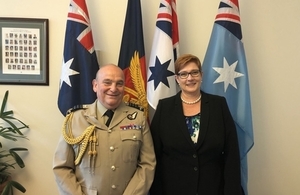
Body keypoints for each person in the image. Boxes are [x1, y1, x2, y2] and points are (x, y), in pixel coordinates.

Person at [53, 64, 156, 195]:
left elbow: (147, 164)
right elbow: (62, 167)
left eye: (119, 83)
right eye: (107, 82)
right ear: (95, 85)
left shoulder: (138, 118)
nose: (113, 89)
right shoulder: (75, 119)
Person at [149, 54, 242, 195]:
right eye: (183, 74)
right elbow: (154, 155)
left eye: (194, 72)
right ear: (177, 79)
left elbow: (231, 153)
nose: (190, 78)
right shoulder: (164, 108)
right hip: (173, 189)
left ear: (201, 75)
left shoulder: (219, 105)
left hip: (214, 188)